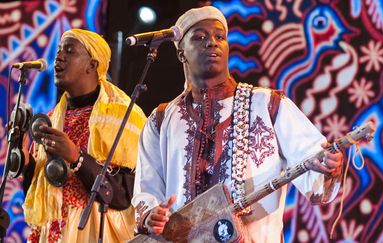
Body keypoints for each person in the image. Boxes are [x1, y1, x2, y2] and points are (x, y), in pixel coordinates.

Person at [132, 6, 343, 242]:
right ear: (181, 54)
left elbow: (313, 162)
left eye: (219, 37)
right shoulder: (161, 120)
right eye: (200, 37)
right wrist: (151, 215)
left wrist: (328, 165)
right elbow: (146, 189)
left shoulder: (269, 104)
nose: (212, 43)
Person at [21, 29, 146, 242]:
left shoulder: (124, 114)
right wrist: (27, 165)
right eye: (59, 50)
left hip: (96, 233)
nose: (58, 56)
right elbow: (44, 195)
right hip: (52, 234)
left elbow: (126, 194)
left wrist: (77, 158)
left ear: (92, 65)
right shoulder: (52, 118)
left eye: (69, 51)